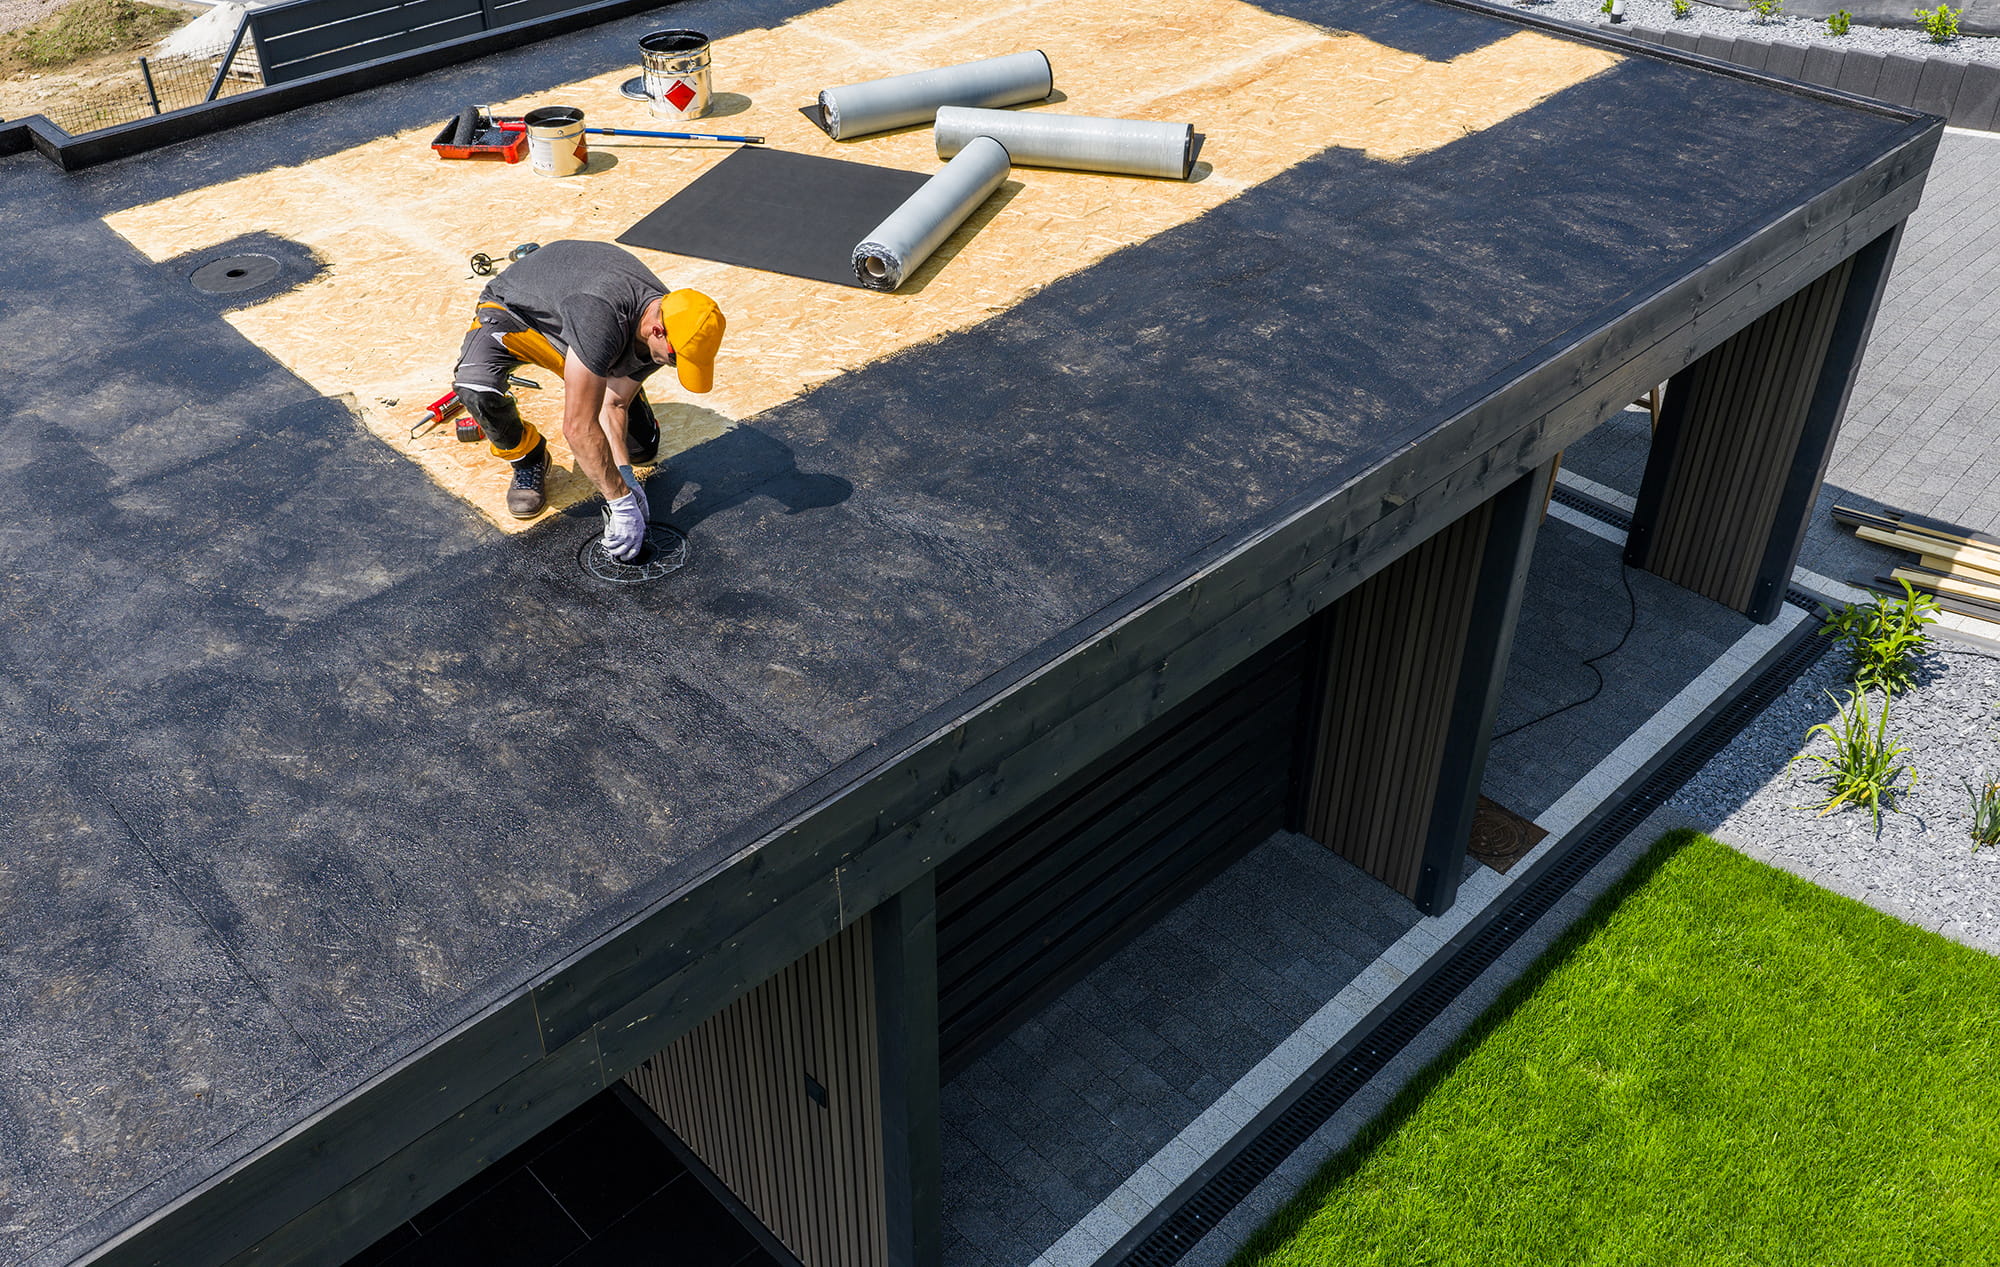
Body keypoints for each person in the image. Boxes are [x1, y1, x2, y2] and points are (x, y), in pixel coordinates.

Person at [451, 239, 725, 560]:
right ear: (657, 331)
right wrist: (620, 502)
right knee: (475, 387)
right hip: (516, 315)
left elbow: (615, 403)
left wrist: (625, 476)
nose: (672, 365)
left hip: (581, 327)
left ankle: (604, 372)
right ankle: (527, 456)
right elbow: (578, 428)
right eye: (675, 359)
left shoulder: (672, 317)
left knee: (642, 449)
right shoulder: (603, 314)